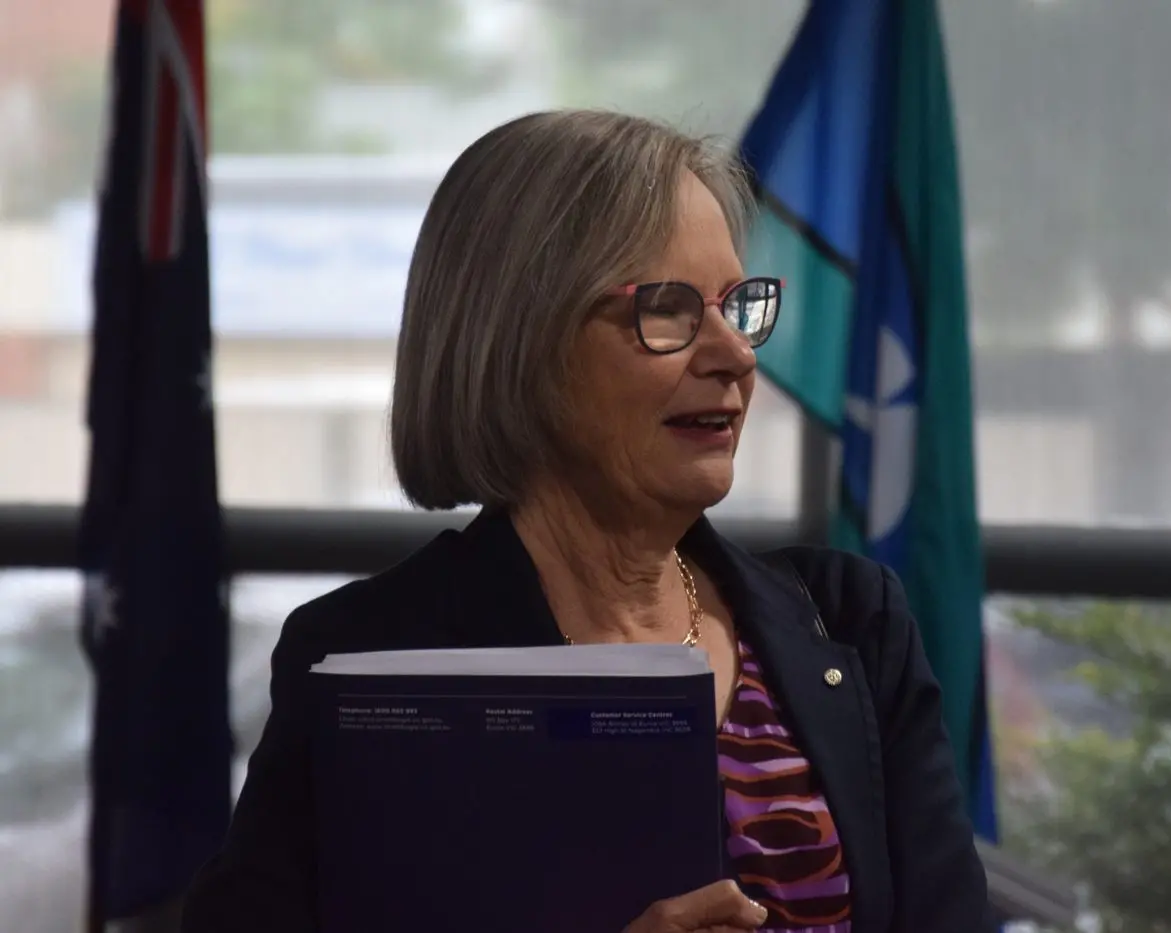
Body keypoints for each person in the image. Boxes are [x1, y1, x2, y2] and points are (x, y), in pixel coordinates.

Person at [180, 109, 992, 933]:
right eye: (669, 310)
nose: (735, 355)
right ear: (519, 343)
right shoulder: (367, 659)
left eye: (737, 305)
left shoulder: (853, 620)